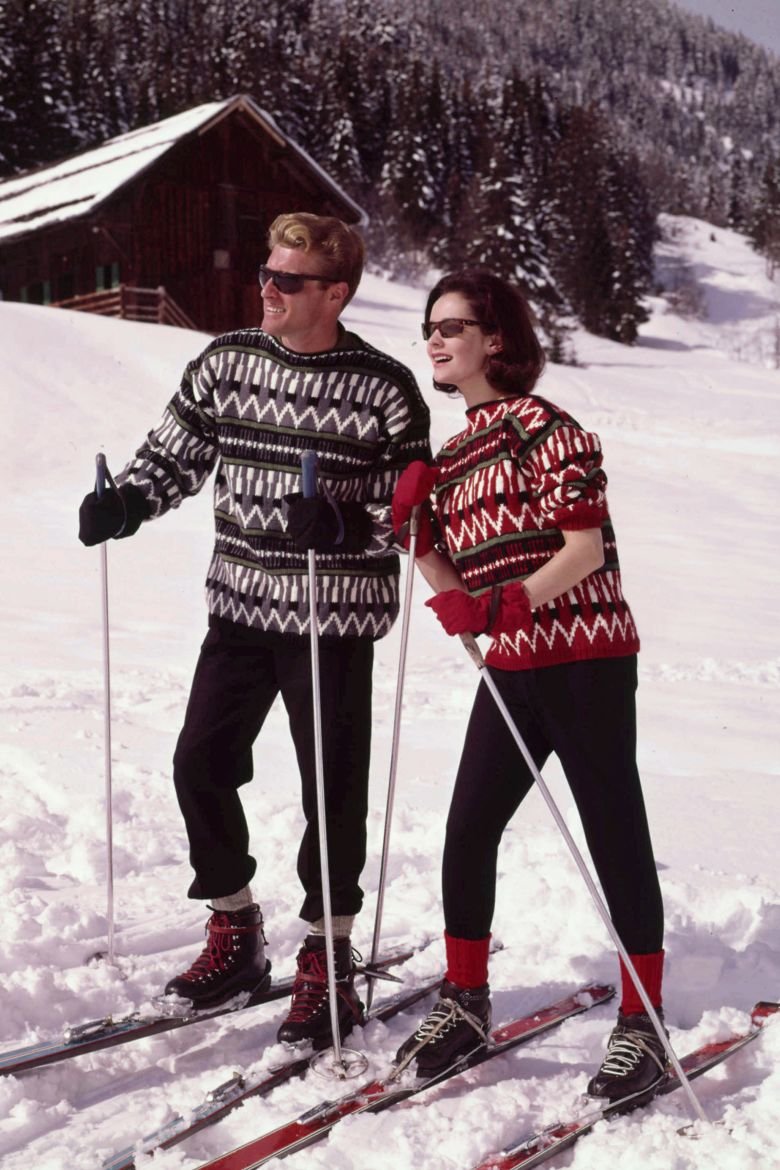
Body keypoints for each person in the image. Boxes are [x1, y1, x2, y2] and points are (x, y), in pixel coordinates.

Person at [78, 211, 430, 1050]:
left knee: (330, 791)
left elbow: (413, 511)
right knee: (199, 763)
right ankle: (236, 931)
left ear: (334, 293)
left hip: (331, 618)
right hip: (239, 606)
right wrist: (127, 502)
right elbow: (176, 453)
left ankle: (331, 954)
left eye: (286, 280)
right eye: (266, 275)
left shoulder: (383, 387)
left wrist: (345, 523)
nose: (265, 289)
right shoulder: (226, 362)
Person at [390, 270, 667, 1102]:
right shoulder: (452, 456)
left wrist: (501, 602)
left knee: (612, 828)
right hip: (512, 665)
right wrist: (416, 531)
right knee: (468, 829)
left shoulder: (548, 429)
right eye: (429, 328)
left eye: (452, 327)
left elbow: (582, 549)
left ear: (497, 339)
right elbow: (452, 590)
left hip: (585, 656)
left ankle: (643, 1024)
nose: (435, 340)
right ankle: (466, 998)